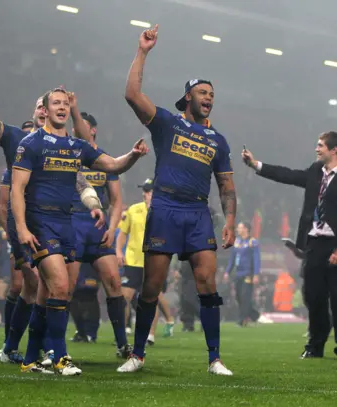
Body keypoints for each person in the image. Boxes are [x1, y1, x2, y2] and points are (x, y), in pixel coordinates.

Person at [118, 24, 236, 376]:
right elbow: (131, 94)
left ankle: (214, 358)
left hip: (198, 212)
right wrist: (143, 51)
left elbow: (227, 186)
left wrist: (230, 221)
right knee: (152, 285)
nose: (208, 97)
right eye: (202, 92)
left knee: (207, 283)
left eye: (212, 93)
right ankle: (137, 354)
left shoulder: (219, 140)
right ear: (188, 98)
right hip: (166, 208)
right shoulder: (167, 123)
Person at [11, 87, 148, 375]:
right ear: (45, 111)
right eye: (55, 103)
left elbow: (111, 164)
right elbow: (17, 189)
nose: (61, 107)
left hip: (66, 223)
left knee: (49, 292)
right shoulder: (31, 143)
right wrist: (22, 228)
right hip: (40, 222)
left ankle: (29, 360)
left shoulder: (76, 147)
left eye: (65, 103)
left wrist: (133, 155)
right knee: (60, 286)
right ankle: (60, 357)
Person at [242, 131, 337, 361]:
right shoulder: (314, 172)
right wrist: (256, 165)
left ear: (334, 150)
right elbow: (288, 175)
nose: (316, 149)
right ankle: (315, 345)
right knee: (313, 297)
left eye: (320, 146)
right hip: (315, 244)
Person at [0, 51, 46, 363]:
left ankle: (24, 347)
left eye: (52, 105)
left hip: (52, 221)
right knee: (31, 281)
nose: (45, 111)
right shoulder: (16, 137)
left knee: (45, 287)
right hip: (22, 222)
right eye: (41, 106)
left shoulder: (66, 144)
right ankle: (17, 347)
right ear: (34, 112)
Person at [67, 112, 132, 358]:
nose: (76, 129)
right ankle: (54, 346)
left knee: (114, 284)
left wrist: (113, 230)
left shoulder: (104, 161)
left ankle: (121, 344)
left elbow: (116, 202)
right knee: (67, 287)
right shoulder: (67, 156)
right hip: (72, 223)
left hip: (98, 227)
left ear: (92, 130)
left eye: (81, 125)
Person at [116, 179, 174, 346]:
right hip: (133, 261)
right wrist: (119, 251)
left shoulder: (164, 212)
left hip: (154, 261)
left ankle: (150, 334)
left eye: (148, 191)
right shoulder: (133, 210)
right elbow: (122, 233)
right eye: (144, 190)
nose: (145, 193)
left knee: (151, 298)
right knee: (124, 297)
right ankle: (123, 332)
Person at [223, 222, 267, 326]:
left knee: (245, 297)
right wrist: (227, 272)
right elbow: (232, 259)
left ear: (246, 229)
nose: (238, 229)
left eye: (240, 227)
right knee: (239, 297)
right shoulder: (236, 242)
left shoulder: (253, 242)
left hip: (248, 274)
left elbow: (257, 260)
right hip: (238, 274)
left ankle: (242, 320)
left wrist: (256, 274)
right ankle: (255, 316)